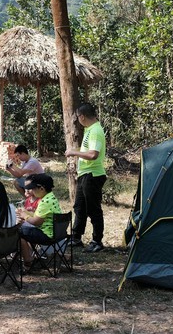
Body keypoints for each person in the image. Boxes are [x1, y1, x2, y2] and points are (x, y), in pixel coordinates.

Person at [65, 103, 107, 253]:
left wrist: (73, 153)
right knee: (80, 207)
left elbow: (93, 154)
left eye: (78, 118)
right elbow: (87, 151)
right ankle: (76, 237)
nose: (78, 120)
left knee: (93, 209)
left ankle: (97, 240)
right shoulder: (90, 129)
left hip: (93, 175)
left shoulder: (95, 130)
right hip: (85, 175)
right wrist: (75, 150)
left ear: (82, 116)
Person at [16, 173, 62, 271]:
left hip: (47, 235)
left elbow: (36, 222)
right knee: (23, 229)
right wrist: (26, 212)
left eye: (33, 188)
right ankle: (30, 256)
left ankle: (28, 260)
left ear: (41, 188)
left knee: (17, 231)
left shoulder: (45, 202)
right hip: (55, 233)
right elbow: (38, 216)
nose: (31, 191)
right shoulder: (51, 197)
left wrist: (25, 216)